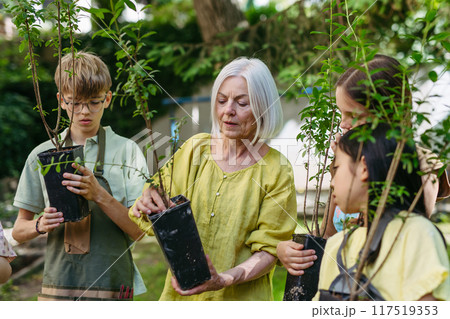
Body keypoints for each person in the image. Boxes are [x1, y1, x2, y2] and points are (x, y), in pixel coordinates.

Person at [129, 57, 297, 300]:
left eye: (241, 103)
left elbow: (269, 251)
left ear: (264, 107)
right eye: (221, 100)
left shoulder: (277, 170)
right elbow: (156, 197)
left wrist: (225, 279)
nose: (228, 110)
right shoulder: (195, 149)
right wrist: (149, 202)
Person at [276, 54, 450, 276]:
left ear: (387, 113)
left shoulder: (419, 165)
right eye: (340, 113)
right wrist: (287, 251)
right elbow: (328, 237)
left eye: (353, 115)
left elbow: (407, 239)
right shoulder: (348, 161)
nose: (343, 124)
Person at [12, 51, 148, 300]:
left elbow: (139, 231)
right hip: (59, 289)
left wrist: (99, 195)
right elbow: (18, 231)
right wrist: (40, 225)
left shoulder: (128, 151)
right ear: (61, 100)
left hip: (113, 289)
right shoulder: (41, 155)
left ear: (107, 99)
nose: (84, 111)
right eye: (75, 103)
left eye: (94, 102)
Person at [315, 123, 449, 300]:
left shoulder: (415, 234)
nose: (332, 183)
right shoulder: (336, 245)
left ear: (364, 168)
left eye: (337, 168)